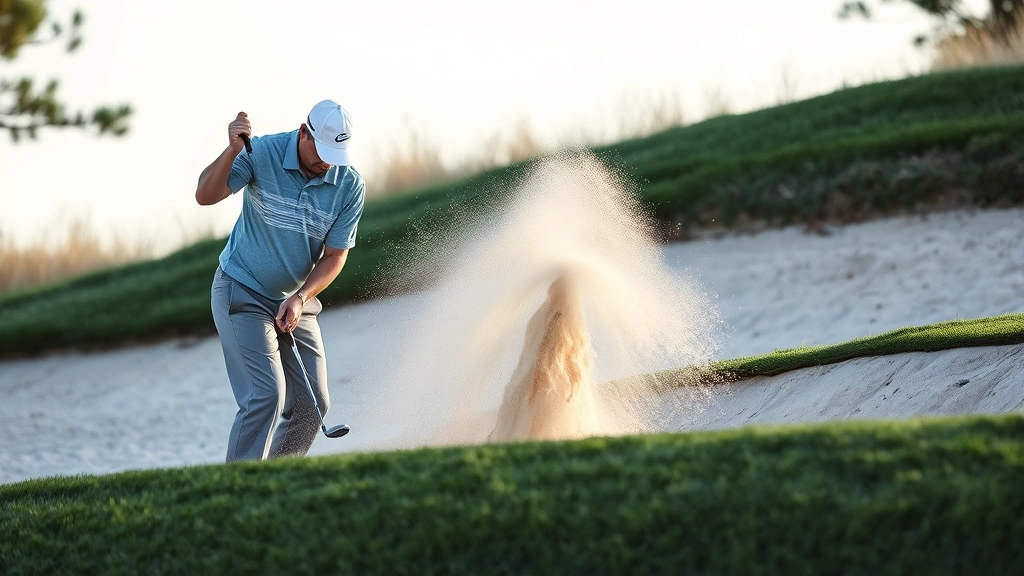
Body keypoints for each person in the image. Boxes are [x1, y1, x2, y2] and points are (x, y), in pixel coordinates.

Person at [196, 100, 365, 462]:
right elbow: (205, 196)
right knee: (265, 394)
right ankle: (238, 494)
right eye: (322, 152)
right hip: (242, 292)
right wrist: (232, 151)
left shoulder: (348, 185)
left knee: (313, 402)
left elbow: (335, 257)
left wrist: (302, 297)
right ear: (303, 132)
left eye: (335, 154)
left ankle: (274, 484)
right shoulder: (264, 152)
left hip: (295, 301)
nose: (327, 163)